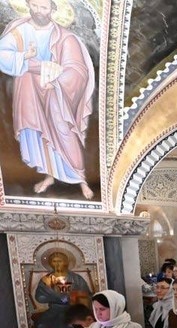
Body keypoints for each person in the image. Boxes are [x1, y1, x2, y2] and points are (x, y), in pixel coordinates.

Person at [0, 0, 96, 198]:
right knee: (37, 133)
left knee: (64, 132)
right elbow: (3, 55)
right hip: (29, 91)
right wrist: (25, 57)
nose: (38, 11)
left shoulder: (66, 38)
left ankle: (81, 178)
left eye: (43, 7)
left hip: (56, 94)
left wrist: (58, 80)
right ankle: (49, 176)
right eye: (34, 5)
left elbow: (78, 71)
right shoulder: (18, 30)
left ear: (53, 9)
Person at [33, 251, 92, 328]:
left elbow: (87, 294)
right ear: (50, 263)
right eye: (54, 261)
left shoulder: (76, 278)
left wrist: (71, 297)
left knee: (70, 327)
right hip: (55, 310)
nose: (57, 264)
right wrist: (56, 297)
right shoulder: (46, 280)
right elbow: (39, 297)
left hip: (73, 310)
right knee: (41, 325)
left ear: (65, 262)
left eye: (60, 261)